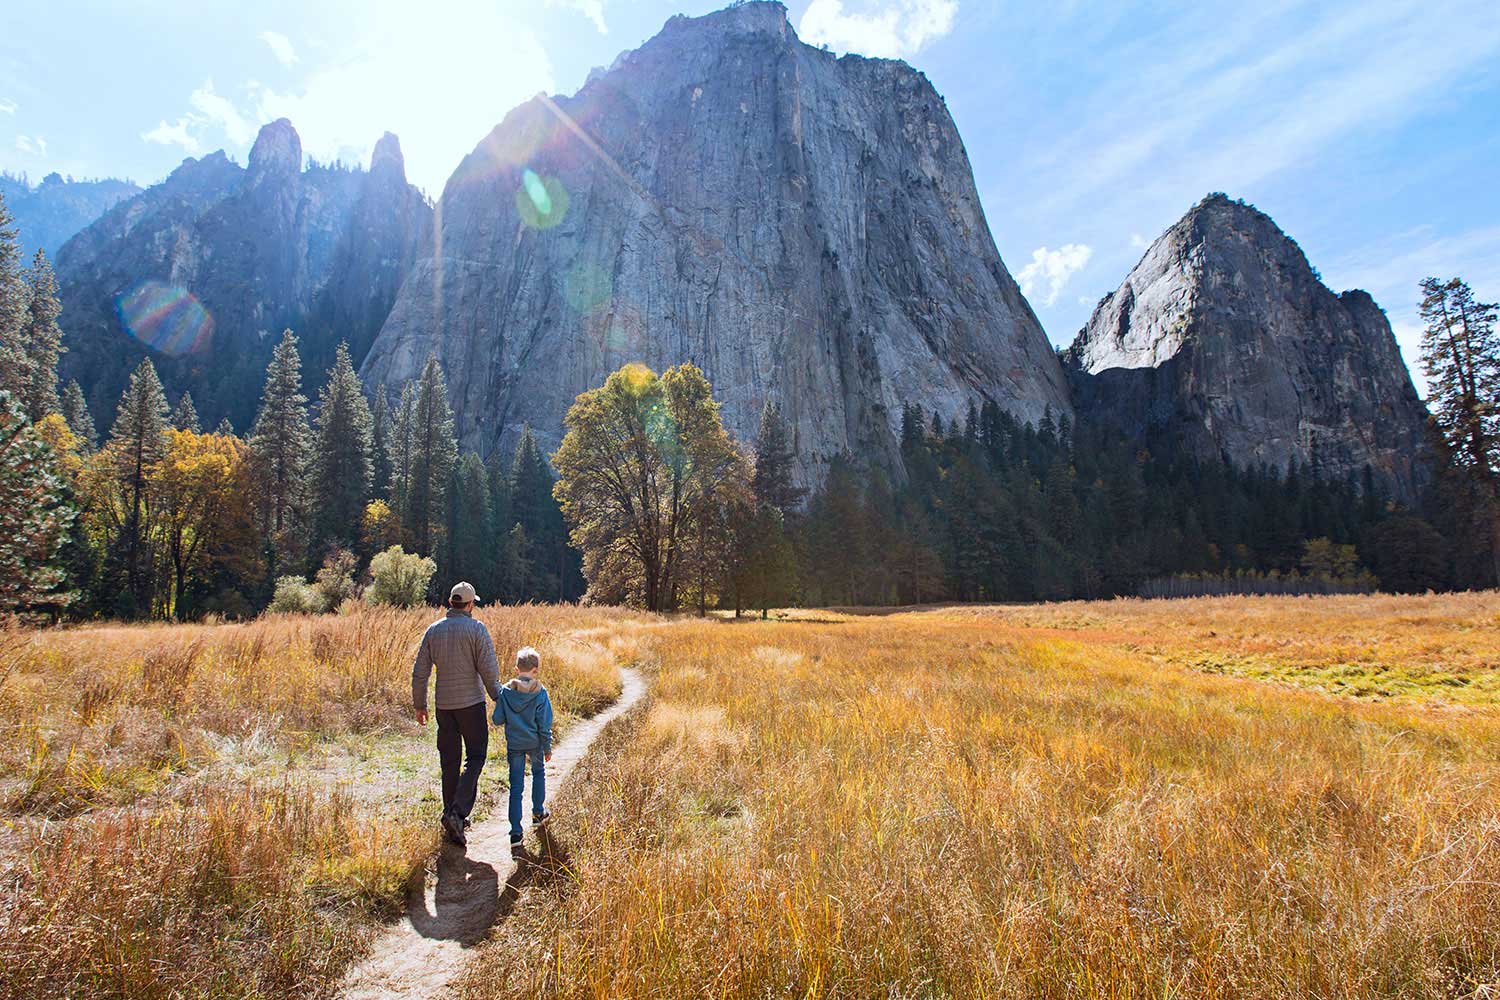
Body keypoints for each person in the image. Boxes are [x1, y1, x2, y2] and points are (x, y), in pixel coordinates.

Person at [411, 581, 502, 848]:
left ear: (451, 602)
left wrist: (420, 704)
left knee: (449, 761)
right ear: (470, 604)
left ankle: (451, 816)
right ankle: (457, 812)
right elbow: (489, 669)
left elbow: (420, 672)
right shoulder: (476, 629)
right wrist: (500, 698)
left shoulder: (434, 631)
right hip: (471, 705)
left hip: (444, 706)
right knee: (476, 756)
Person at [494, 646, 554, 850]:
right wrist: (547, 747)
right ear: (535, 670)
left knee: (516, 787)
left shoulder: (506, 692)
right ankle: (538, 813)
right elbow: (544, 724)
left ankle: (516, 833)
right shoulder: (540, 693)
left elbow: (497, 719)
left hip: (515, 745)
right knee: (538, 774)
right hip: (535, 743)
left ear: (516, 668)